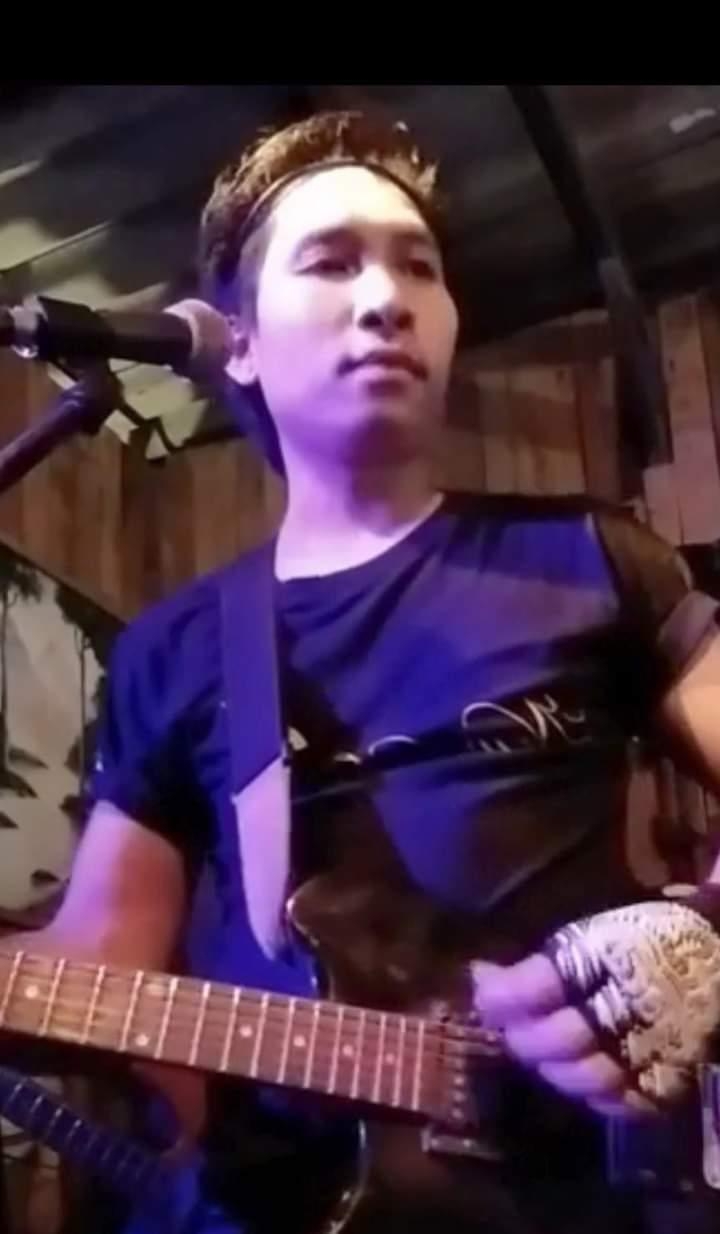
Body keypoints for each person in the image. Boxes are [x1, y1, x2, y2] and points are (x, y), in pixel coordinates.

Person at [5, 109, 720, 1233]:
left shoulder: (593, 554)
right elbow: (96, 962)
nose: (387, 298)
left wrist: (697, 947)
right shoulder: (176, 648)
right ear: (237, 340)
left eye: (417, 267)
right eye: (332, 262)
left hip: (599, 1191)